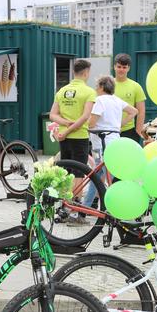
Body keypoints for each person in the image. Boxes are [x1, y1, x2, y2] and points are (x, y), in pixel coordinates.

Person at [50, 59, 96, 224]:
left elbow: (52, 115)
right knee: (79, 173)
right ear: (85, 73)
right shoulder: (89, 92)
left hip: (63, 138)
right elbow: (85, 117)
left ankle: (63, 207)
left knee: (67, 171)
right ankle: (75, 210)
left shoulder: (62, 91)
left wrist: (64, 126)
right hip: (79, 137)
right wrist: (70, 128)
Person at [83, 75, 138, 208]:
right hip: (115, 143)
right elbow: (134, 111)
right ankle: (88, 207)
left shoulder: (99, 100)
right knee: (102, 176)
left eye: (97, 86)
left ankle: (114, 206)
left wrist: (81, 123)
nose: (96, 89)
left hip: (101, 145)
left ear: (102, 87)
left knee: (99, 178)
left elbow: (92, 123)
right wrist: (118, 125)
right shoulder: (117, 100)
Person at [112, 53, 146, 143]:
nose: (121, 70)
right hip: (110, 131)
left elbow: (141, 111)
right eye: (119, 67)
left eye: (124, 67)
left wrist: (138, 132)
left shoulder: (136, 86)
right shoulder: (108, 85)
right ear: (114, 67)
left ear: (128, 68)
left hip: (129, 131)